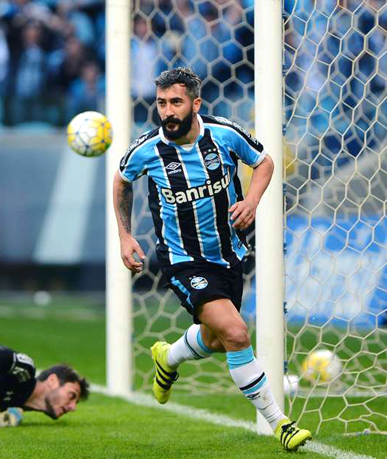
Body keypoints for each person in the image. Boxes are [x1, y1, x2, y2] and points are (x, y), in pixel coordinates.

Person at [113, 67, 312, 452]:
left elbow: (265, 162)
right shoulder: (147, 149)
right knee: (237, 333)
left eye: (176, 102)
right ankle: (281, 424)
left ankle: (168, 357)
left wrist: (251, 201)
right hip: (182, 259)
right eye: (161, 103)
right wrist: (124, 235)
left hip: (228, 253)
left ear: (195, 103)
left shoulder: (223, 133)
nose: (167, 112)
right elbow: (122, 179)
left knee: (221, 340)